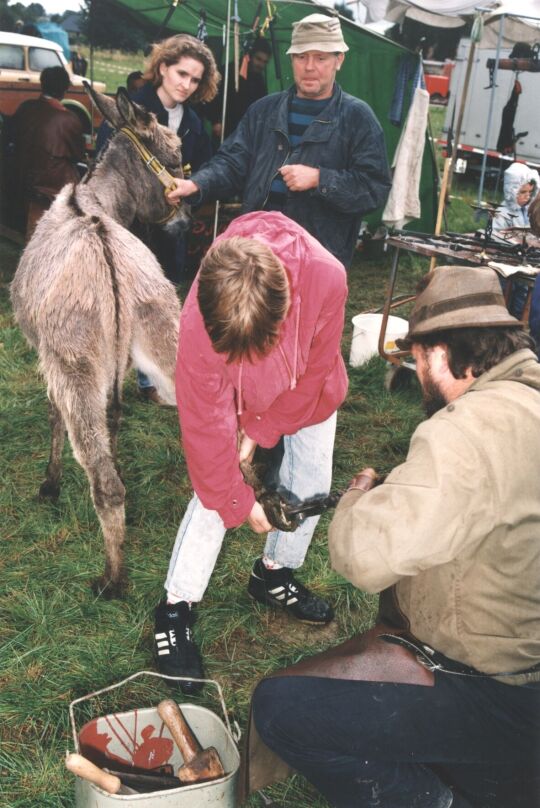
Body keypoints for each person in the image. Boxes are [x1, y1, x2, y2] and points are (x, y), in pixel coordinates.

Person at [252, 265, 540, 808]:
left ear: (440, 352)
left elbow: (365, 557)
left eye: (416, 357)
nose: (416, 371)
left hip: (503, 696)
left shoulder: (467, 432)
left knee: (280, 708)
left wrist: (361, 498)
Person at [153, 210, 348, 692]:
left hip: (309, 388)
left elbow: (316, 373)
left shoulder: (327, 278)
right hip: (232, 393)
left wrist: (265, 428)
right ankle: (176, 607)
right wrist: (239, 501)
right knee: (216, 488)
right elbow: (203, 431)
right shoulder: (200, 318)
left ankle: (273, 573)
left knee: (311, 484)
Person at [166, 13, 391, 270]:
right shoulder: (263, 111)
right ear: (291, 58)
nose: (309, 66)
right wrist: (196, 184)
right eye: (301, 56)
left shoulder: (358, 118)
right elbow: (232, 162)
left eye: (321, 57)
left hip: (317, 258)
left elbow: (374, 189)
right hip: (256, 251)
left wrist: (320, 179)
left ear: (339, 60)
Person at [96, 34, 219, 405]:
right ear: (163, 67)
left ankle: (150, 381)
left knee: (157, 303)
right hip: (129, 227)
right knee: (118, 303)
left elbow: (204, 170)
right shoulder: (132, 110)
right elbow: (107, 164)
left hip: (169, 228)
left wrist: (192, 188)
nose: (186, 84)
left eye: (195, 79)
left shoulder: (195, 123)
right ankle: (106, 378)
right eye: (181, 73)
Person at [10, 66, 85, 239]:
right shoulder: (68, 119)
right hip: (51, 186)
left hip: (22, 178)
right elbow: (78, 155)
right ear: (65, 89)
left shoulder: (25, 108)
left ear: (42, 84)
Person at [203, 36, 272, 145]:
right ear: (249, 56)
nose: (261, 65)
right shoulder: (227, 71)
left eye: (265, 62)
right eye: (258, 59)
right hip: (224, 128)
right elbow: (211, 95)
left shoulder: (259, 80)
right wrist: (215, 121)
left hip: (246, 132)